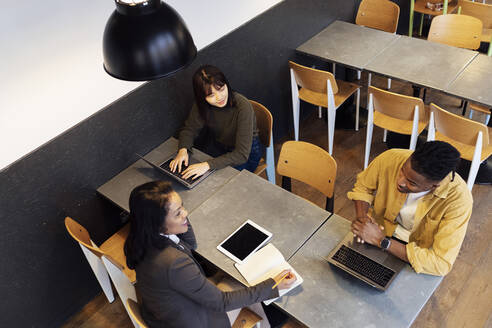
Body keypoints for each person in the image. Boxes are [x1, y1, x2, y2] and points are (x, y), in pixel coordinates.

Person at [124, 181, 296, 328]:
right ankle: (266, 321)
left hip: (164, 313)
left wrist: (181, 218)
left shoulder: (142, 238)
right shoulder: (174, 262)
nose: (186, 213)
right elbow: (222, 302)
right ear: (157, 223)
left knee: (234, 283)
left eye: (182, 206)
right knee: (240, 282)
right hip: (193, 322)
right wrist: (273, 286)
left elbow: (190, 245)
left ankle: (266, 321)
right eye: (177, 213)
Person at [347, 141, 473, 276]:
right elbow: (363, 187)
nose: (400, 181)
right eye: (402, 170)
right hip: (377, 232)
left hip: (416, 254)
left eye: (411, 183)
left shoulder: (459, 201)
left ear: (434, 186)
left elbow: (440, 263)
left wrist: (381, 241)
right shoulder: (391, 158)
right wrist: (363, 220)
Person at [169, 65, 262, 180]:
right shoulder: (201, 104)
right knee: (196, 177)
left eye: (221, 89)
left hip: (246, 152)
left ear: (226, 84)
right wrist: (183, 150)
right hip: (219, 146)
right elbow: (189, 129)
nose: (219, 97)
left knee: (219, 181)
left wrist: (207, 165)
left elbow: (241, 154)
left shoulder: (242, 106)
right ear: (202, 97)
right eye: (211, 95)